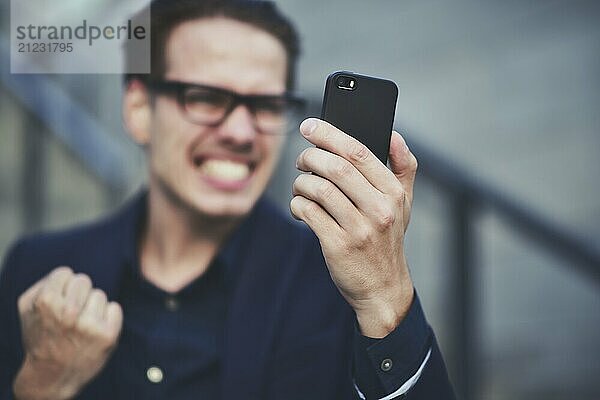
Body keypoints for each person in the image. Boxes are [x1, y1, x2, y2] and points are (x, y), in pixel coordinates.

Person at [0, 0, 455, 399]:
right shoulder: (33, 269)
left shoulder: (341, 285)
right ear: (140, 111)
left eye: (265, 104)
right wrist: (42, 386)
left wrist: (386, 298)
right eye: (205, 96)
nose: (241, 133)